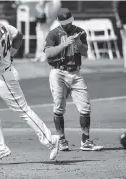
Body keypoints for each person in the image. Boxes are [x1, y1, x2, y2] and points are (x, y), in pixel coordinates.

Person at [0, 5, 60, 163]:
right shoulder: (2, 26)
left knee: (23, 111)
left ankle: (50, 140)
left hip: (3, 78)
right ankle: (0, 148)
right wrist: (11, 54)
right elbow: (19, 35)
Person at [44, 8, 103, 151]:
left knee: (85, 107)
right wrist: (63, 44)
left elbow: (84, 52)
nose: (67, 25)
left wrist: (77, 42)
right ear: (59, 21)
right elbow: (48, 53)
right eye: (64, 23)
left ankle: (85, 141)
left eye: (69, 22)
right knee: (58, 107)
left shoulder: (80, 31)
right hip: (58, 72)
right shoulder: (54, 33)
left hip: (76, 73)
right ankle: (62, 140)